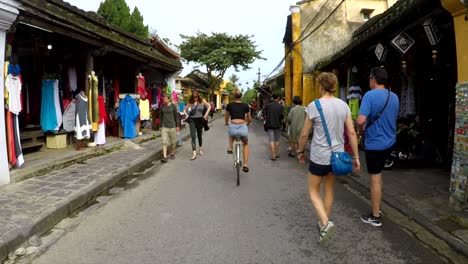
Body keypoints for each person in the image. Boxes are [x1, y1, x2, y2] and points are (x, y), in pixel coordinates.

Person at [296, 72, 360, 243]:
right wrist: (356, 156)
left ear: (321, 86)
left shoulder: (314, 105)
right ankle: (324, 222)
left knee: (313, 191)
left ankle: (324, 222)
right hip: (337, 157)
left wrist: (300, 152)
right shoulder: (343, 106)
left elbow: (304, 133)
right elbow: (352, 132)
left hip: (319, 156)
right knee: (329, 190)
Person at [356, 67, 399, 227]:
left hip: (375, 144)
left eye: (369, 78)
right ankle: (377, 207)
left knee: (375, 178)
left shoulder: (369, 95)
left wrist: (360, 131)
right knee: (378, 176)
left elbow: (361, 120)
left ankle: (375, 216)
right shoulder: (393, 96)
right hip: (390, 142)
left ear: (373, 79)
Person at [225, 89, 252, 172]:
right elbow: (249, 118)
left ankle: (230, 147)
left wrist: (226, 123)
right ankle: (245, 164)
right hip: (242, 127)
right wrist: (248, 123)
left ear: (234, 96)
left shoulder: (229, 105)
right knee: (246, 144)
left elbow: (226, 117)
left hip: (233, 126)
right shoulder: (245, 105)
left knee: (231, 133)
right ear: (241, 96)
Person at [183, 90, 211, 160]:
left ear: (198, 96)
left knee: (199, 135)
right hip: (192, 120)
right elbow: (184, 110)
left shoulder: (202, 101)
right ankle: (194, 154)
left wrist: (205, 115)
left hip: (200, 120)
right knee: (193, 136)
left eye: (196, 97)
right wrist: (186, 115)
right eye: (193, 97)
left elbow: (209, 106)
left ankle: (200, 149)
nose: (195, 98)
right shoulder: (190, 102)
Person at [159, 93, 180, 163]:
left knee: (173, 142)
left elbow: (176, 116)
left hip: (172, 127)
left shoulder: (173, 106)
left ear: (168, 99)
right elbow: (160, 117)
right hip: (164, 127)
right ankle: (164, 157)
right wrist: (160, 126)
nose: (164, 100)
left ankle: (172, 153)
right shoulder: (162, 106)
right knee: (164, 142)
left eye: (165, 99)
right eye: (163, 99)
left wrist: (177, 126)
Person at [264, 94, 284, 160]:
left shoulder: (268, 105)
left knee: (271, 140)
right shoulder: (280, 106)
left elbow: (265, 114)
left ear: (272, 98)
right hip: (278, 124)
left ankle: (273, 155)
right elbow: (282, 116)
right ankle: (276, 153)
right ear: (278, 98)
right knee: (277, 140)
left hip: (270, 125)